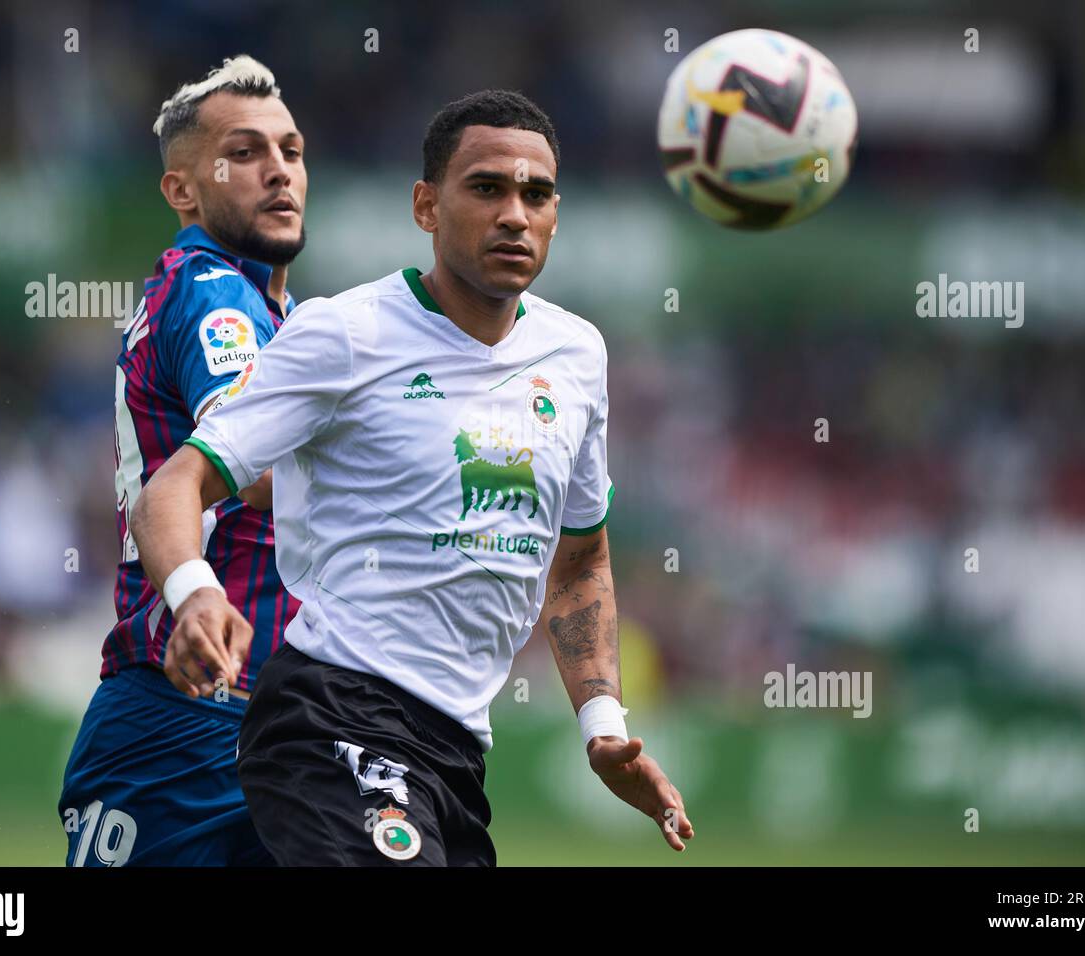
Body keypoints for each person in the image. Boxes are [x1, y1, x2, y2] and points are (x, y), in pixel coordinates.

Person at [131, 89, 693, 865]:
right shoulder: (345, 333)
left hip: (454, 752)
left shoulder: (578, 356)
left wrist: (603, 729)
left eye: (537, 194)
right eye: (488, 188)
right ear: (427, 206)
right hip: (332, 715)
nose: (514, 215)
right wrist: (194, 593)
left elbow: (581, 558)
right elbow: (173, 485)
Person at [58, 55, 306, 866]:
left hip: (263, 718)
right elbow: (256, 466)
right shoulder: (214, 295)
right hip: (185, 718)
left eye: (292, 151)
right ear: (182, 190)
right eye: (244, 152)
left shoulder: (281, 312)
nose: (278, 171)